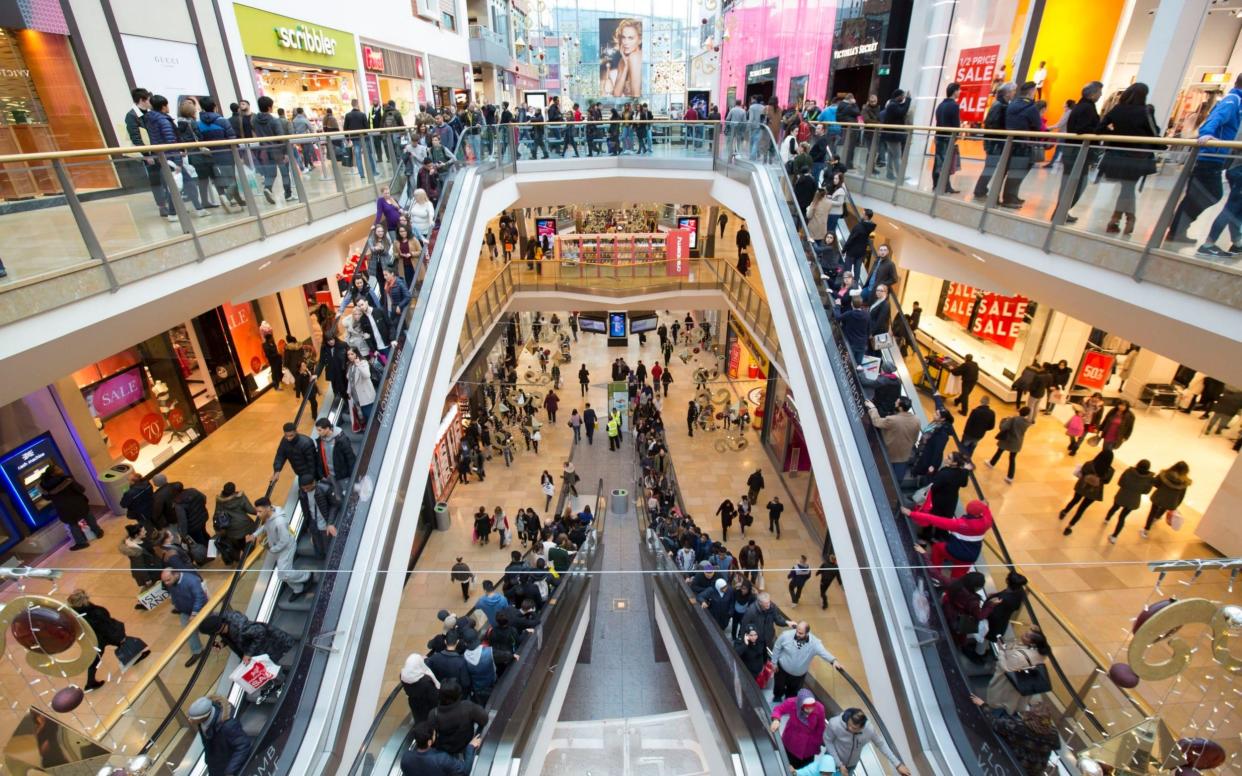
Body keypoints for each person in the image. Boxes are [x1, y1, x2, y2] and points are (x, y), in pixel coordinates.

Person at [1167, 73, 1242, 244]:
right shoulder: (1232, 101)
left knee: (1196, 195)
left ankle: (1177, 229)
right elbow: (1212, 122)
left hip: (1213, 157)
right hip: (1210, 157)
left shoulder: (1235, 101)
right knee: (1212, 194)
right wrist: (1207, 134)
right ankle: (1177, 228)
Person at [1097, 83, 1160, 236]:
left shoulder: (1118, 109)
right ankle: (1128, 219)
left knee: (1127, 189)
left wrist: (1115, 135)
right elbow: (1154, 133)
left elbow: (1099, 128)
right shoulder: (1144, 111)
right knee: (1128, 189)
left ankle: (1116, 219)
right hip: (1137, 157)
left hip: (1117, 155)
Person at [68, 589, 148, 691]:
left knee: (95, 659)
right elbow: (106, 622)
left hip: (94, 638)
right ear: (85, 600)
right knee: (122, 642)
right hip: (105, 635)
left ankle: (90, 682)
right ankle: (135, 658)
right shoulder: (95, 611)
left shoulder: (73, 614)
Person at [903, 499, 994, 584]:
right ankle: (950, 593)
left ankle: (934, 575)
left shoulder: (959, 524)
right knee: (956, 581)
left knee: (938, 548)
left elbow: (932, 519)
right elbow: (987, 513)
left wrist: (911, 514)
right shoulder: (987, 523)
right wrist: (985, 506)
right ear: (979, 513)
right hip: (969, 558)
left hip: (953, 551)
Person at [250, 497, 314, 601]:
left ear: (267, 509)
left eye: (259, 511)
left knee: (284, 574)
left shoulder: (279, 522)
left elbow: (285, 541)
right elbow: (265, 527)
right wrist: (254, 535)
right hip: (279, 548)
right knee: (283, 573)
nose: (257, 514)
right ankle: (298, 589)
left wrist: (273, 549)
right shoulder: (269, 516)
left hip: (286, 548)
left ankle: (306, 575)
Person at [1056, 82, 1103, 220]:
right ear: (1093, 93)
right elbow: (1082, 129)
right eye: (1099, 92)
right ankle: (1061, 212)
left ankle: (1061, 211)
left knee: (1071, 183)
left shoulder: (1080, 107)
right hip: (1078, 151)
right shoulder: (1087, 108)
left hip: (1074, 150)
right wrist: (1099, 130)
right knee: (1076, 184)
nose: (1100, 95)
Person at [823, 708, 911, 776]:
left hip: (850, 765)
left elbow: (881, 745)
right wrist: (839, 764)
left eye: (854, 728)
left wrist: (898, 765)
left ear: (862, 727)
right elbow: (828, 740)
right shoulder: (835, 723)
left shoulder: (869, 730)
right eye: (848, 725)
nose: (849, 728)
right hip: (831, 758)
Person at [985, 628, 1052, 716]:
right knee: (1013, 702)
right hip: (1024, 683)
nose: (1023, 634)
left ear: (1032, 643)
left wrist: (1001, 651)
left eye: (1026, 636)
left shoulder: (1018, 656)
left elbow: (1006, 667)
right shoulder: (1040, 654)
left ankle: (995, 717)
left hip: (1008, 685)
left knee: (1000, 703)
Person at [769, 621, 840, 701]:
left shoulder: (815, 643)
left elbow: (823, 652)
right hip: (782, 670)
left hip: (798, 676)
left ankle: (788, 703)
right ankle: (777, 697)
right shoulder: (786, 635)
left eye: (801, 633)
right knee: (778, 687)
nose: (797, 634)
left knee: (792, 693)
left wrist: (833, 660)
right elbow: (777, 647)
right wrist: (774, 663)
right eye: (797, 631)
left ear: (807, 633)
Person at [39, 464, 102, 551]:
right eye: (58, 469)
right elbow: (81, 489)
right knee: (88, 516)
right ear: (53, 474)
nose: (61, 469)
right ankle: (98, 532)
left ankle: (81, 542)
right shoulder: (67, 480)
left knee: (73, 524)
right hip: (77, 503)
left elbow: (46, 497)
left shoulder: (45, 486)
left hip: (64, 509)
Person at [198, 608, 295, 663]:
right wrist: (223, 643)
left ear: (216, 631)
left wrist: (248, 653)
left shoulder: (241, 629)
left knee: (278, 665)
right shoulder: (223, 625)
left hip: (272, 646)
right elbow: (230, 636)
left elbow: (260, 632)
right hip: (262, 650)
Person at [187, 695, 251, 776]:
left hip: (227, 766)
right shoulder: (201, 724)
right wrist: (207, 759)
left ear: (204, 716)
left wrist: (230, 771)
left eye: (193, 718)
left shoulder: (228, 725)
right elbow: (206, 743)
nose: (190, 720)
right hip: (215, 766)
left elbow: (243, 745)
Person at [429, 678, 488, 765]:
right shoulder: (467, 707)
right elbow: (484, 719)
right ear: (458, 695)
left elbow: (431, 737)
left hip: (444, 750)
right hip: (465, 746)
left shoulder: (433, 714)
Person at [973, 82, 1016, 201]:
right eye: (1013, 91)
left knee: (990, 167)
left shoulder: (999, 104)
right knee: (990, 167)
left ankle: (981, 189)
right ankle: (980, 190)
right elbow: (993, 125)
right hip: (995, 143)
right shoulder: (1001, 106)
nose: (1014, 93)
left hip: (994, 142)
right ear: (1007, 93)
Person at [769, 689, 828, 769]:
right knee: (788, 767)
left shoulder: (820, 708)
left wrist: (816, 742)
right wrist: (776, 719)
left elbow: (820, 728)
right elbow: (779, 709)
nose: (810, 711)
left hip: (808, 749)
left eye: (812, 707)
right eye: (807, 708)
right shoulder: (792, 703)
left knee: (805, 770)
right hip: (791, 743)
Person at [1060, 450, 1116, 534]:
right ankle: (1069, 527)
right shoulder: (1110, 471)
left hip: (1082, 486)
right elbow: (1107, 482)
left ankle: (1064, 512)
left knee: (1074, 500)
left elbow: (1082, 472)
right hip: (1094, 492)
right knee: (1082, 509)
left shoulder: (1089, 464)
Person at [865, 397, 920, 480]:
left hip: (890, 456)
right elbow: (915, 439)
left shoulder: (893, 420)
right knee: (896, 480)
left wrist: (872, 408)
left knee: (880, 476)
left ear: (900, 407)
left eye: (897, 403)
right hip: (904, 457)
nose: (895, 403)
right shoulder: (916, 420)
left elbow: (877, 421)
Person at [251, 96, 292, 204]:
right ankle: (288, 194)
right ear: (270, 107)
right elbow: (280, 137)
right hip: (277, 150)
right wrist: (285, 153)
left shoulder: (255, 120)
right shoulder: (274, 121)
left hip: (263, 150)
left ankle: (267, 188)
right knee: (284, 173)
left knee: (270, 173)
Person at [162, 567, 207, 665]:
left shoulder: (192, 580)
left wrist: (194, 613)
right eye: (164, 581)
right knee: (188, 631)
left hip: (201, 609)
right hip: (185, 611)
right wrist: (175, 603)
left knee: (210, 624)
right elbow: (173, 593)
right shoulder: (171, 582)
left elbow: (200, 597)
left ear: (176, 574)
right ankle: (198, 651)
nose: (166, 583)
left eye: (168, 580)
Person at [1140, 461, 1191, 539]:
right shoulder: (1184, 482)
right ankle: (1156, 518)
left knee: (1152, 512)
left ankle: (1146, 530)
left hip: (1159, 497)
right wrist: (1176, 505)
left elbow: (1155, 483)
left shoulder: (1164, 475)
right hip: (1171, 501)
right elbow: (1181, 495)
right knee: (1163, 508)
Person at [213, 482, 257, 565]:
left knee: (238, 543)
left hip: (231, 529)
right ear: (234, 489)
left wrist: (217, 528)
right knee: (248, 543)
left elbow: (216, 514)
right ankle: (249, 557)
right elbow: (250, 510)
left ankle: (240, 556)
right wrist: (259, 511)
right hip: (245, 525)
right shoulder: (240, 497)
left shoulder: (220, 501)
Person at [987, 406, 1033, 483]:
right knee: (1012, 458)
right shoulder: (1027, 423)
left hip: (1008, 440)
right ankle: (1010, 476)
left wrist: (1004, 420)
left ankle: (992, 463)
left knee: (999, 451)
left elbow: (1003, 427)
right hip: (1017, 442)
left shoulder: (1014, 419)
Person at [272, 421, 321, 486]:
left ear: (296, 432)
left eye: (291, 435)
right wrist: (277, 470)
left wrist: (312, 479)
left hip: (309, 474)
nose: (288, 438)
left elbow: (312, 463)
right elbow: (280, 455)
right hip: (300, 473)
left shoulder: (306, 443)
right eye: (286, 436)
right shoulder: (284, 441)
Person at [933, 82, 962, 192]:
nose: (960, 92)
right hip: (948, 137)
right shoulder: (954, 105)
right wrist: (956, 136)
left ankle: (937, 184)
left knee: (938, 161)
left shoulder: (940, 105)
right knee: (946, 163)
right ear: (954, 91)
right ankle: (945, 186)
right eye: (959, 90)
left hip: (940, 136)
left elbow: (938, 122)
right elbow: (956, 124)